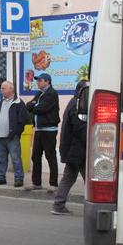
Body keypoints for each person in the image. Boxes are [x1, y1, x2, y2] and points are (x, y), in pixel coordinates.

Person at [52, 81, 88, 215]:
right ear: (81, 91)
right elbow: (80, 128)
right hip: (77, 149)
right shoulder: (78, 105)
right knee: (90, 179)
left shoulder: (75, 103)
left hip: (74, 149)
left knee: (69, 177)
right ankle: (58, 205)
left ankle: (58, 205)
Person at [25, 72, 60, 191]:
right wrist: (34, 105)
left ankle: (53, 184)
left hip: (49, 130)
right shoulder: (39, 93)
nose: (37, 82)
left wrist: (34, 105)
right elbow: (28, 106)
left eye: (40, 80)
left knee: (50, 156)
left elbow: (42, 108)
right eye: (37, 80)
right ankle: (36, 183)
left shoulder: (52, 93)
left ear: (47, 81)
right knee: (35, 156)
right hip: (39, 129)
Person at [0, 80, 28, 187]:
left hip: (12, 137)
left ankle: (19, 178)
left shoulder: (18, 102)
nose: (1, 90)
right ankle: (1, 177)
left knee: (16, 158)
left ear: (11, 89)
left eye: (3, 88)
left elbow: (22, 120)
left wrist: (16, 132)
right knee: (1, 159)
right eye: (1, 88)